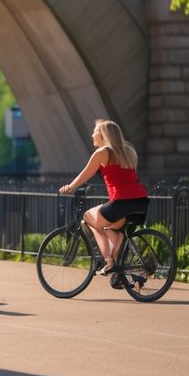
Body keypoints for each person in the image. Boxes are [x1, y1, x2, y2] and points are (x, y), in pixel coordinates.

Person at [58, 119, 149, 277]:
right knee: (109, 227)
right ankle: (120, 262)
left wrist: (70, 187)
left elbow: (85, 174)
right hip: (140, 201)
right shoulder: (129, 151)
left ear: (102, 135)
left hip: (121, 202)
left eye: (95, 131)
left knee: (88, 217)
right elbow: (126, 177)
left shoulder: (103, 152)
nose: (92, 134)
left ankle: (109, 262)